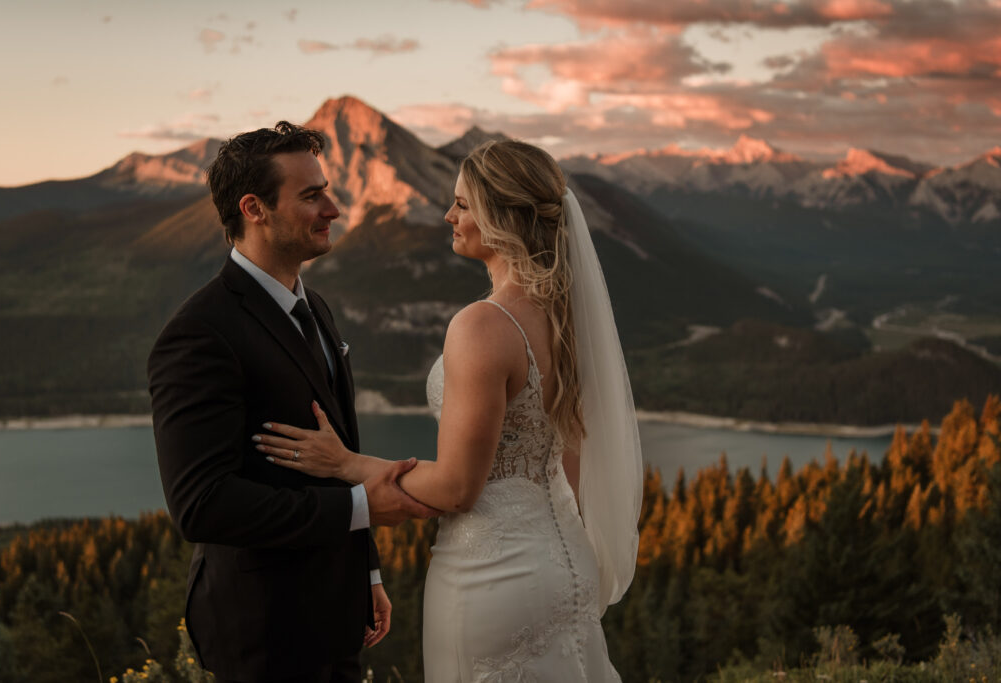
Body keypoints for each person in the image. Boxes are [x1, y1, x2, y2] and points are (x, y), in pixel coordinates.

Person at [254, 140, 643, 681]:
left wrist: (347, 464)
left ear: (500, 216)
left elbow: (458, 489)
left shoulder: (483, 326)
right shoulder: (563, 317)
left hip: (493, 573)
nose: (449, 215)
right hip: (563, 560)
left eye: (462, 204)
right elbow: (569, 462)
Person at [148, 121, 436, 683]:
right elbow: (201, 505)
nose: (334, 208)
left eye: (327, 189)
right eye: (312, 196)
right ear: (253, 208)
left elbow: (339, 450)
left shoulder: (316, 307)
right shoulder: (200, 332)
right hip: (262, 627)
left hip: (336, 612)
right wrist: (360, 509)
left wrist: (367, 571)